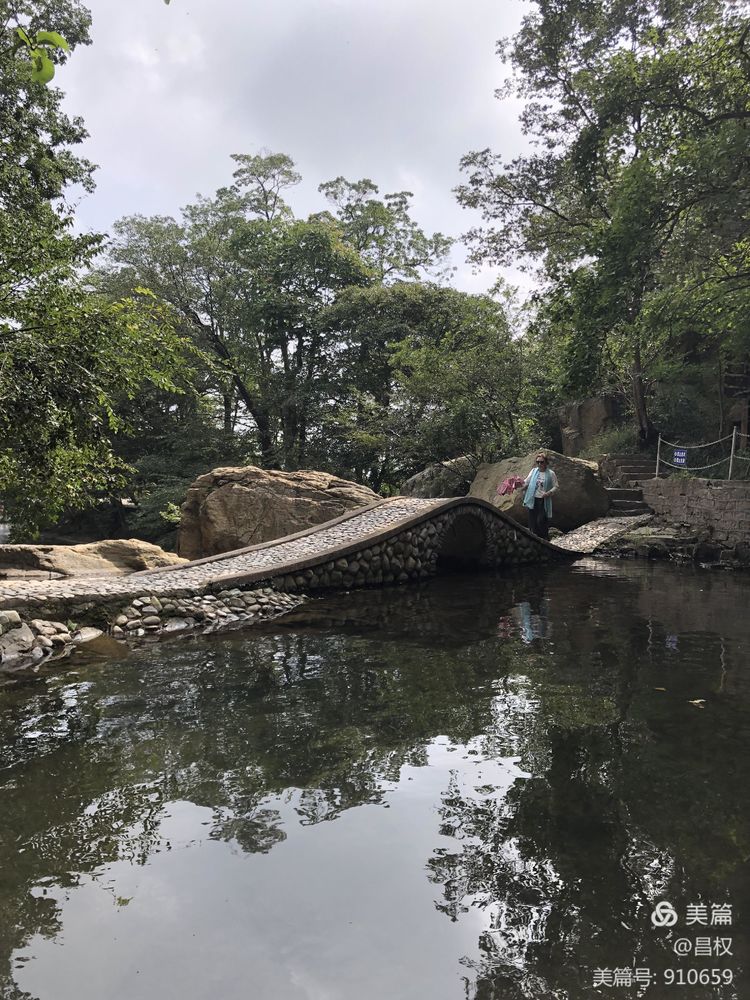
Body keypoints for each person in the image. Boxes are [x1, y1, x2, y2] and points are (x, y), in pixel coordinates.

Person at [516, 452, 558, 540]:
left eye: (541, 462)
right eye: (537, 462)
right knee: (532, 522)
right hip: (532, 499)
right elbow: (526, 482)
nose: (539, 464)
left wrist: (549, 493)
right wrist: (517, 484)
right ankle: (534, 540)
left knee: (541, 520)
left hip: (543, 500)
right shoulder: (533, 471)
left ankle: (545, 538)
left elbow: (556, 486)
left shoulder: (551, 473)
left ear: (546, 462)